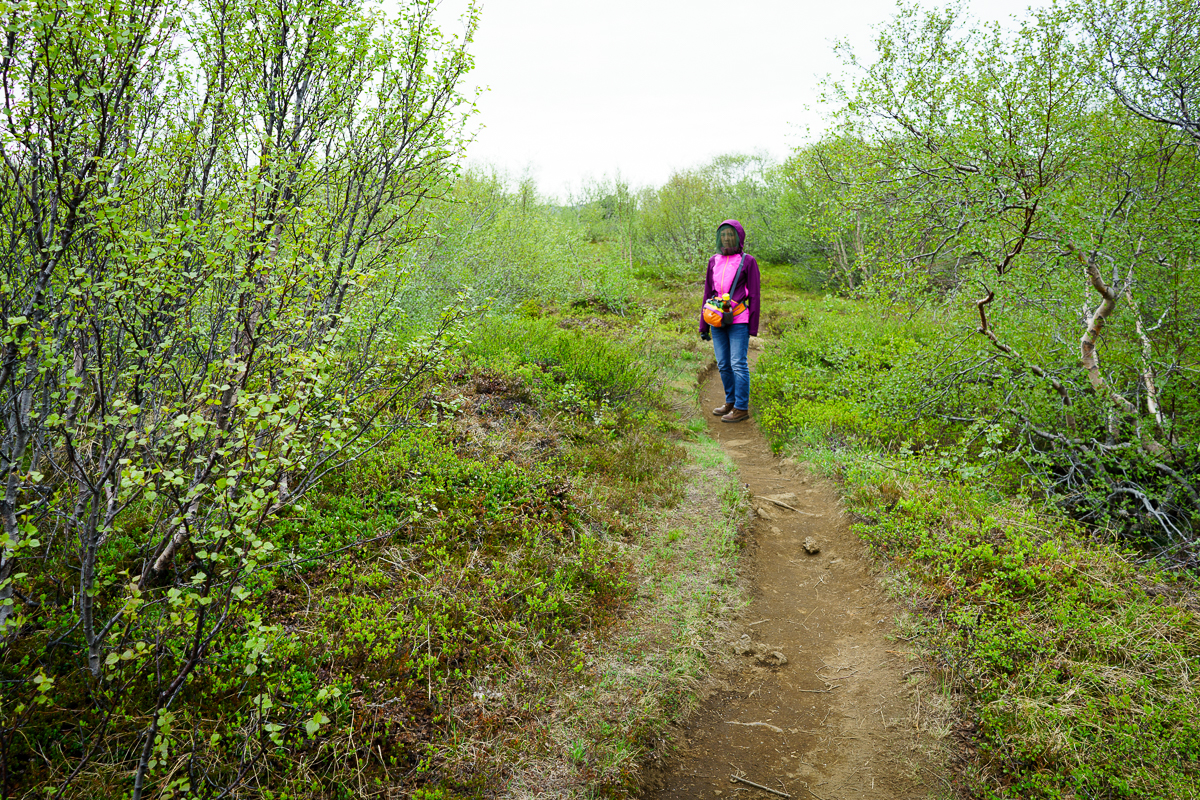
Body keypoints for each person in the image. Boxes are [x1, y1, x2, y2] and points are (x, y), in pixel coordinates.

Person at [699, 219, 760, 423]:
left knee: (737, 363)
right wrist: (703, 326)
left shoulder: (748, 261)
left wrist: (753, 326)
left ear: (738, 237)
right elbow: (708, 293)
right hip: (717, 319)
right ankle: (730, 402)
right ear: (719, 238)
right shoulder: (713, 260)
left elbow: (755, 296)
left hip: (739, 318)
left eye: (730, 235)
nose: (726, 238)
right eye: (723, 235)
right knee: (724, 364)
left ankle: (741, 408)